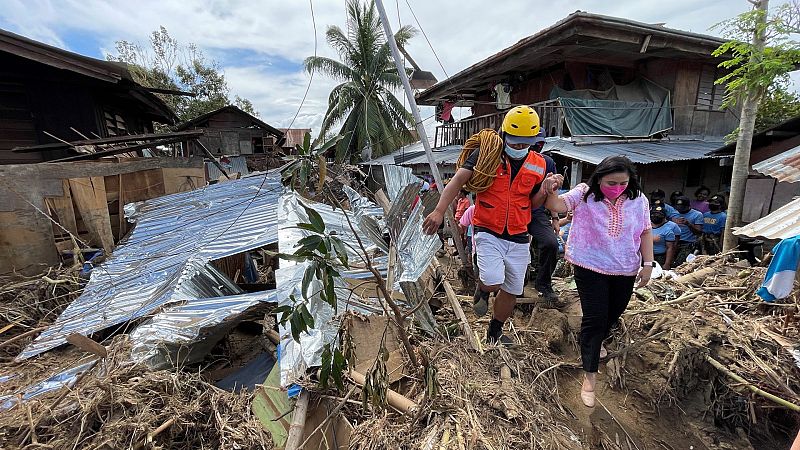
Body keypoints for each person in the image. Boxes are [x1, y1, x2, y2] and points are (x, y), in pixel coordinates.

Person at [422, 105, 558, 344]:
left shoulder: (542, 164)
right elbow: (457, 182)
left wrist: (547, 189)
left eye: (524, 143)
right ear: (504, 135)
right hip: (487, 228)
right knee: (493, 280)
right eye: (514, 142)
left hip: (518, 233)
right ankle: (484, 290)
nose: (518, 148)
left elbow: (535, 203)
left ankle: (494, 331)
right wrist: (439, 211)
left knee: (513, 290)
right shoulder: (486, 156)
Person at [542, 155, 653, 408]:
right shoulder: (584, 194)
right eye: (611, 182)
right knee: (595, 318)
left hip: (625, 267)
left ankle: (596, 341)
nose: (617, 188)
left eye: (623, 183)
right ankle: (589, 377)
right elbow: (558, 205)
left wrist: (647, 264)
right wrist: (551, 189)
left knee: (614, 313)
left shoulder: (639, 200)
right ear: (599, 178)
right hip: (589, 265)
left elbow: (645, 231)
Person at [526, 130, 560, 306]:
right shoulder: (511, 158)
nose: (536, 146)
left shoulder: (547, 163)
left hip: (536, 212)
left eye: (540, 143)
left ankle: (544, 284)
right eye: (533, 143)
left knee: (551, 243)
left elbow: (551, 192)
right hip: (512, 210)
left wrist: (554, 218)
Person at [672, 196, 704, 264]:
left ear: (688, 206)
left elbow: (698, 232)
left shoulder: (697, 214)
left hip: (688, 243)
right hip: (673, 242)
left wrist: (688, 224)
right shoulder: (673, 213)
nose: (680, 209)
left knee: (681, 263)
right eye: (678, 207)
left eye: (682, 207)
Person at [650, 206, 677, 270]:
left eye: (659, 215)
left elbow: (670, 248)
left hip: (660, 257)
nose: (656, 216)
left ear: (664, 217)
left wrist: (667, 263)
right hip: (647, 256)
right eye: (654, 214)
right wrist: (651, 238)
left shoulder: (668, 230)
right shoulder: (645, 227)